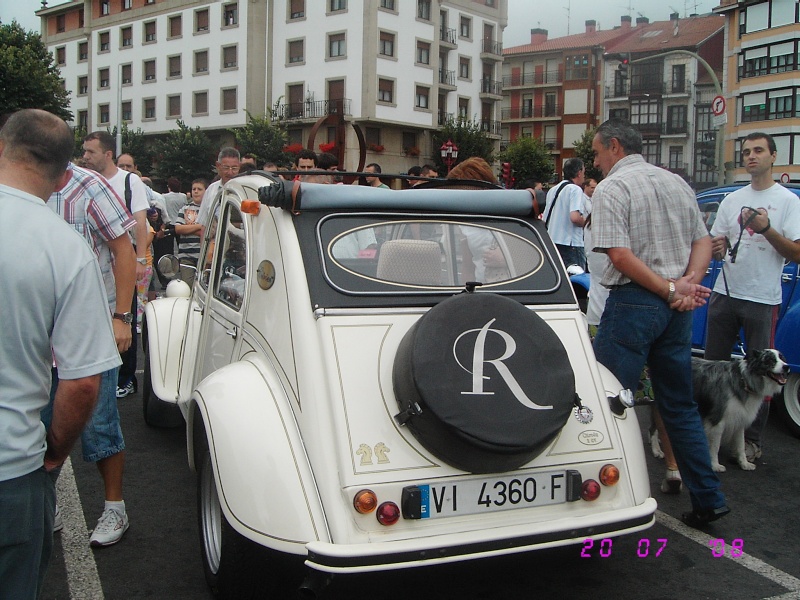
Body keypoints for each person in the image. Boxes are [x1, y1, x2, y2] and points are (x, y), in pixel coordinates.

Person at [0, 109, 120, 598]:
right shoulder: (66, 249)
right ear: (66, 171)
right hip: (13, 466)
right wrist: (54, 452)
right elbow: (83, 382)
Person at [590, 118, 728, 528]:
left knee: (610, 402)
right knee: (679, 404)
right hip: (674, 311)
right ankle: (708, 497)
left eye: (596, 153)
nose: (595, 162)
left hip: (636, 302)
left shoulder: (614, 187)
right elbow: (702, 240)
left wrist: (671, 288)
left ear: (614, 146)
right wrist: (687, 285)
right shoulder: (676, 182)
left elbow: (619, 256)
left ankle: (609, 501)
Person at [706, 132, 800, 463]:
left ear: (773, 156)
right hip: (724, 294)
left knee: (762, 377)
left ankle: (752, 442)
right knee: (713, 369)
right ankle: (705, 436)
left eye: (758, 150)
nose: (751, 156)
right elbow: (716, 242)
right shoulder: (732, 199)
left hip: (762, 297)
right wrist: (715, 248)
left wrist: (766, 229)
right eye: (746, 151)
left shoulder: (788, 201)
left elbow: (797, 253)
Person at [542, 158, 587, 271]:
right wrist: (589, 222)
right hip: (571, 244)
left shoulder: (553, 189)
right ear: (579, 172)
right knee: (577, 281)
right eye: (584, 173)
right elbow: (575, 217)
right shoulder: (575, 189)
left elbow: (545, 217)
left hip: (553, 242)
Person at [196, 147, 241, 233]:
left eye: (234, 168)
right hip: (216, 244)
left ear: (240, 166)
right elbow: (204, 226)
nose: (230, 172)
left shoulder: (246, 190)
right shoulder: (211, 190)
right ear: (218, 166)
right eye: (226, 168)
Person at [175, 178, 207, 286]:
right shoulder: (185, 209)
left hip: (204, 255)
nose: (196, 191)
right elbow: (178, 229)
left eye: (199, 189)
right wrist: (199, 226)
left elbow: (210, 231)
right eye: (194, 189)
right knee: (187, 285)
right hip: (186, 255)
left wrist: (189, 228)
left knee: (203, 285)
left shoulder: (209, 209)